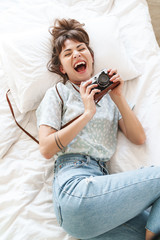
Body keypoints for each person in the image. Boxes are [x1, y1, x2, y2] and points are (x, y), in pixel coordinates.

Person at [36, 18, 160, 240]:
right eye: (68, 53)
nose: (76, 54)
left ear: (91, 57)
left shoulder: (111, 100)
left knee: (153, 227)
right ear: (61, 68)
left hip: (98, 204)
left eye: (81, 48)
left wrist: (118, 96)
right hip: (73, 188)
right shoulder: (58, 94)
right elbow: (46, 148)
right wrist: (87, 113)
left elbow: (139, 137)